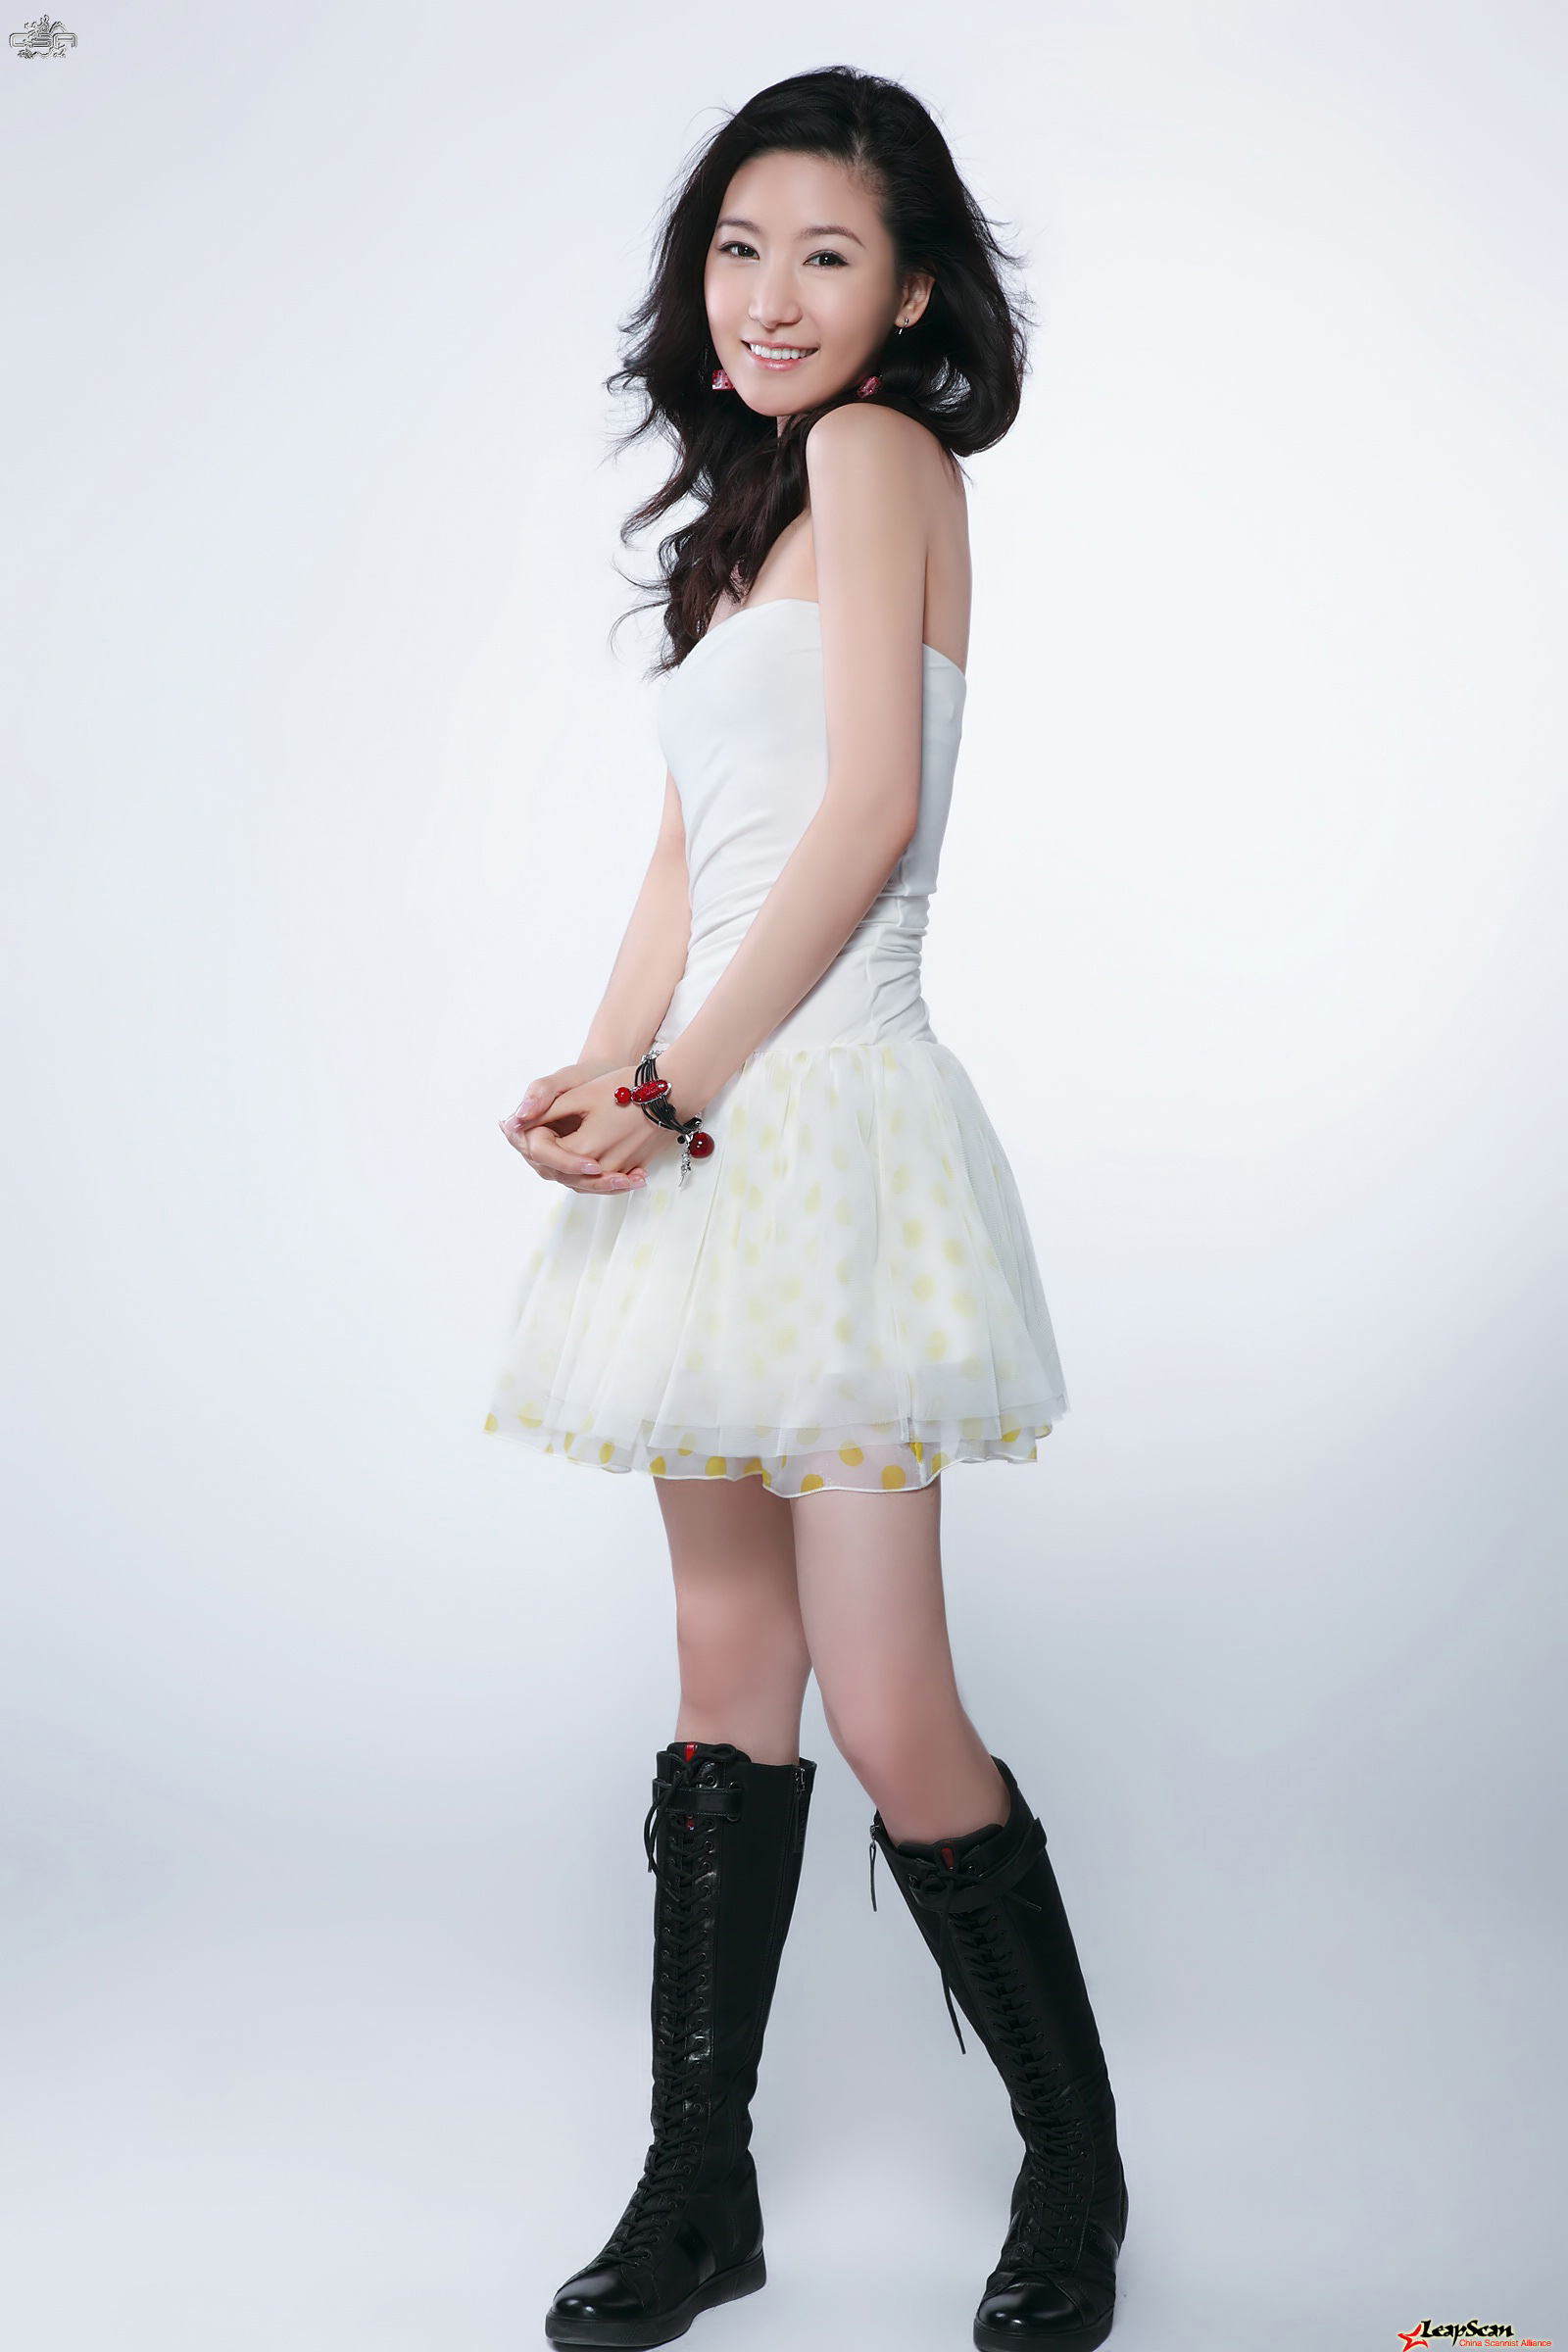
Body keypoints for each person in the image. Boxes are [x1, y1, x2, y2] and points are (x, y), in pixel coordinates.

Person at [491, 66, 1128, 2352]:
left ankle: (1072, 2171)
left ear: (910, 293)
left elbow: (860, 822)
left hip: (821, 1126)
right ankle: (701, 2193)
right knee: (722, 1673)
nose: (766, 297)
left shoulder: (879, 458)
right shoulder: (742, 520)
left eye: (824, 256)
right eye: (736, 250)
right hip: (706, 1138)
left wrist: (672, 1084)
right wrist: (601, 1071)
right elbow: (695, 853)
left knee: (881, 1700)